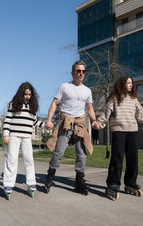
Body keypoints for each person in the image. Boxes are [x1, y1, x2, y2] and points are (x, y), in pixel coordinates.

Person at [92, 75, 143, 200]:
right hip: (119, 132)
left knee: (133, 159)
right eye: (129, 83)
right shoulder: (114, 99)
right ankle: (113, 183)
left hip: (132, 132)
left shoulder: (134, 100)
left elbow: (142, 116)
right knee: (117, 159)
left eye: (131, 83)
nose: (131, 85)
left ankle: (130, 182)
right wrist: (98, 124)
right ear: (122, 84)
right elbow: (105, 116)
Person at [44, 60, 99, 195]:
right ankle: (50, 176)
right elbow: (54, 103)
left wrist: (94, 120)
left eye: (83, 71)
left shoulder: (87, 90)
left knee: (81, 154)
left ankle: (79, 182)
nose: (81, 73)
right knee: (59, 152)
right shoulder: (64, 87)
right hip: (66, 122)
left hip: (80, 123)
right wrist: (49, 120)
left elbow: (90, 108)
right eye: (78, 71)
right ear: (73, 72)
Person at [2, 82, 45, 199]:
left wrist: (45, 125)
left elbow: (34, 121)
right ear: (21, 93)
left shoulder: (32, 106)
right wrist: (6, 134)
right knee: (11, 159)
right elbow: (8, 120)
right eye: (25, 94)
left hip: (27, 137)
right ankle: (8, 184)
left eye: (30, 94)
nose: (27, 97)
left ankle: (31, 183)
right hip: (14, 135)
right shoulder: (14, 104)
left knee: (29, 159)